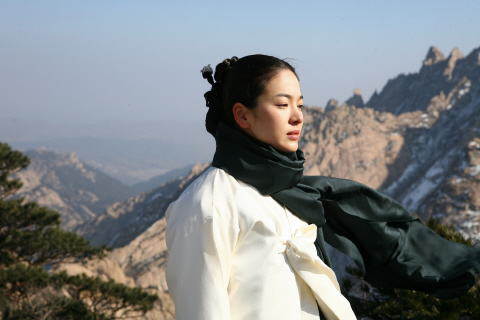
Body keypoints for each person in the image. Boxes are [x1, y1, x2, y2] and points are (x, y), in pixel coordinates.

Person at [165, 55, 480, 320]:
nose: (297, 117)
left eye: (300, 105)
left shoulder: (294, 193)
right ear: (242, 115)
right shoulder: (208, 204)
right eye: (282, 104)